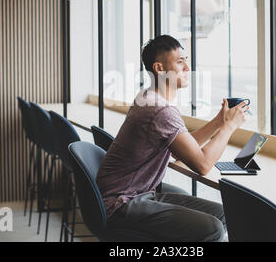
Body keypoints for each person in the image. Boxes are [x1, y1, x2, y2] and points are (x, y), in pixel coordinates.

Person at [95, 35, 249, 242]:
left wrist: (218, 122)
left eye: (186, 60)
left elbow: (182, 145)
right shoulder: (160, 109)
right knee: (213, 227)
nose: (187, 68)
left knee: (224, 215)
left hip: (135, 192)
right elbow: (202, 164)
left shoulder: (147, 97)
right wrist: (230, 127)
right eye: (179, 62)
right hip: (122, 202)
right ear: (159, 68)